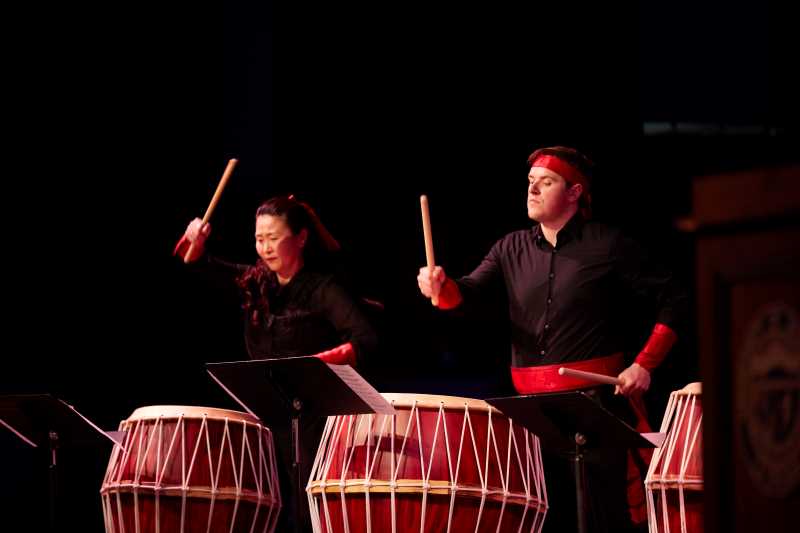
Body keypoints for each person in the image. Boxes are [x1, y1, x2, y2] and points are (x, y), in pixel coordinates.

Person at [417, 146, 688, 533]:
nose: (533, 190)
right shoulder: (510, 248)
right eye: (530, 183)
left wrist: (644, 363)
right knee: (542, 518)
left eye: (546, 182)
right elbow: (465, 294)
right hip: (532, 413)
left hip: (593, 405)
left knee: (602, 518)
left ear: (574, 193)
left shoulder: (608, 245)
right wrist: (439, 287)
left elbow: (674, 300)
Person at [175, 195, 378, 532]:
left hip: (314, 419)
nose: (265, 247)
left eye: (273, 238)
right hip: (266, 414)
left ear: (300, 238)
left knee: (305, 507)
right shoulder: (255, 282)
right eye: (259, 238)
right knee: (266, 507)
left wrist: (315, 365)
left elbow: (365, 338)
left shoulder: (321, 288)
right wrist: (193, 242)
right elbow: (195, 262)